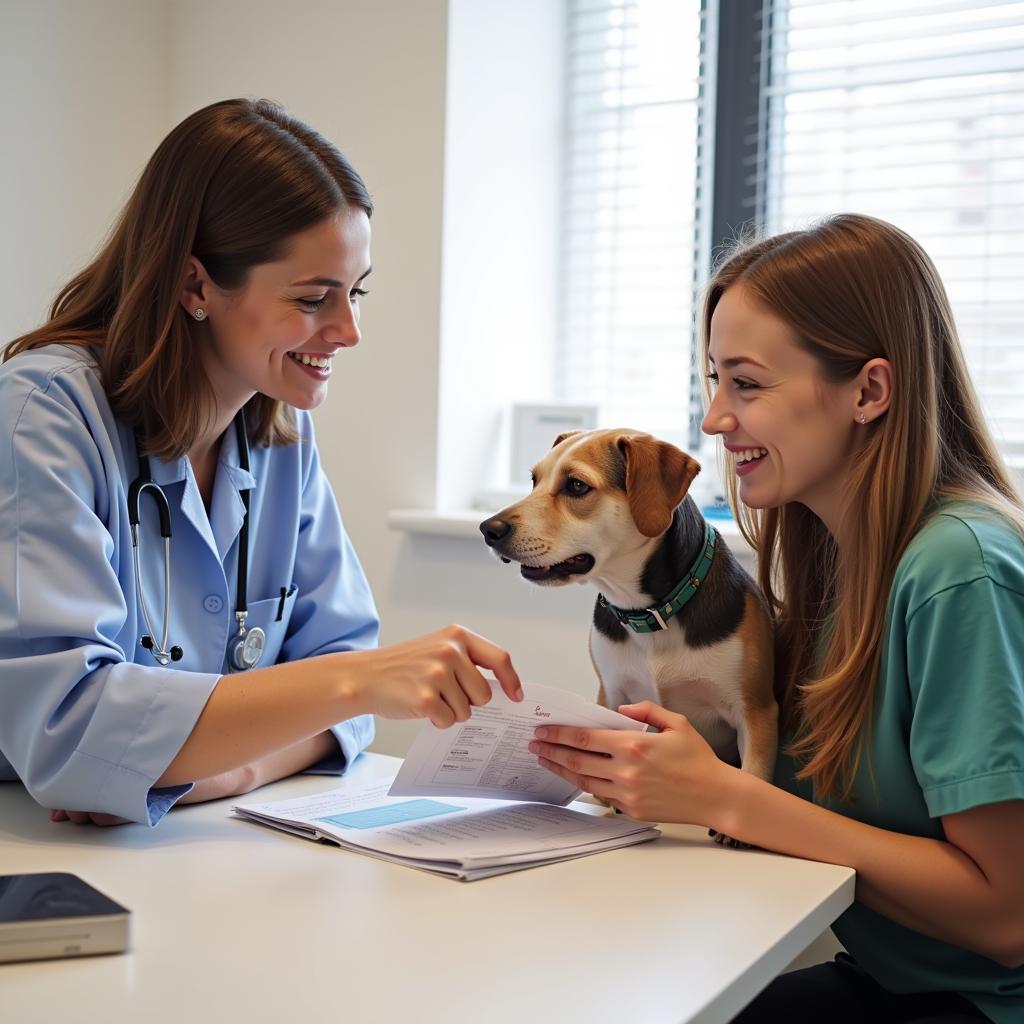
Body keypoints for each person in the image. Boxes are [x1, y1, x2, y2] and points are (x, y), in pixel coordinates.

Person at [528, 214, 1024, 1023]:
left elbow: (1007, 918)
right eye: (714, 382)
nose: (716, 420)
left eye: (746, 384)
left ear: (869, 390)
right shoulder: (832, 557)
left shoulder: (956, 571)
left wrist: (725, 798)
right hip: (885, 977)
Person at [0, 98, 521, 829]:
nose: (349, 331)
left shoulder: (278, 432)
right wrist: (351, 685)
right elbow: (73, 738)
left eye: (356, 291)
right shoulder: (43, 415)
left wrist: (233, 766)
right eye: (314, 298)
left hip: (201, 845)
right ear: (195, 286)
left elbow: (348, 697)